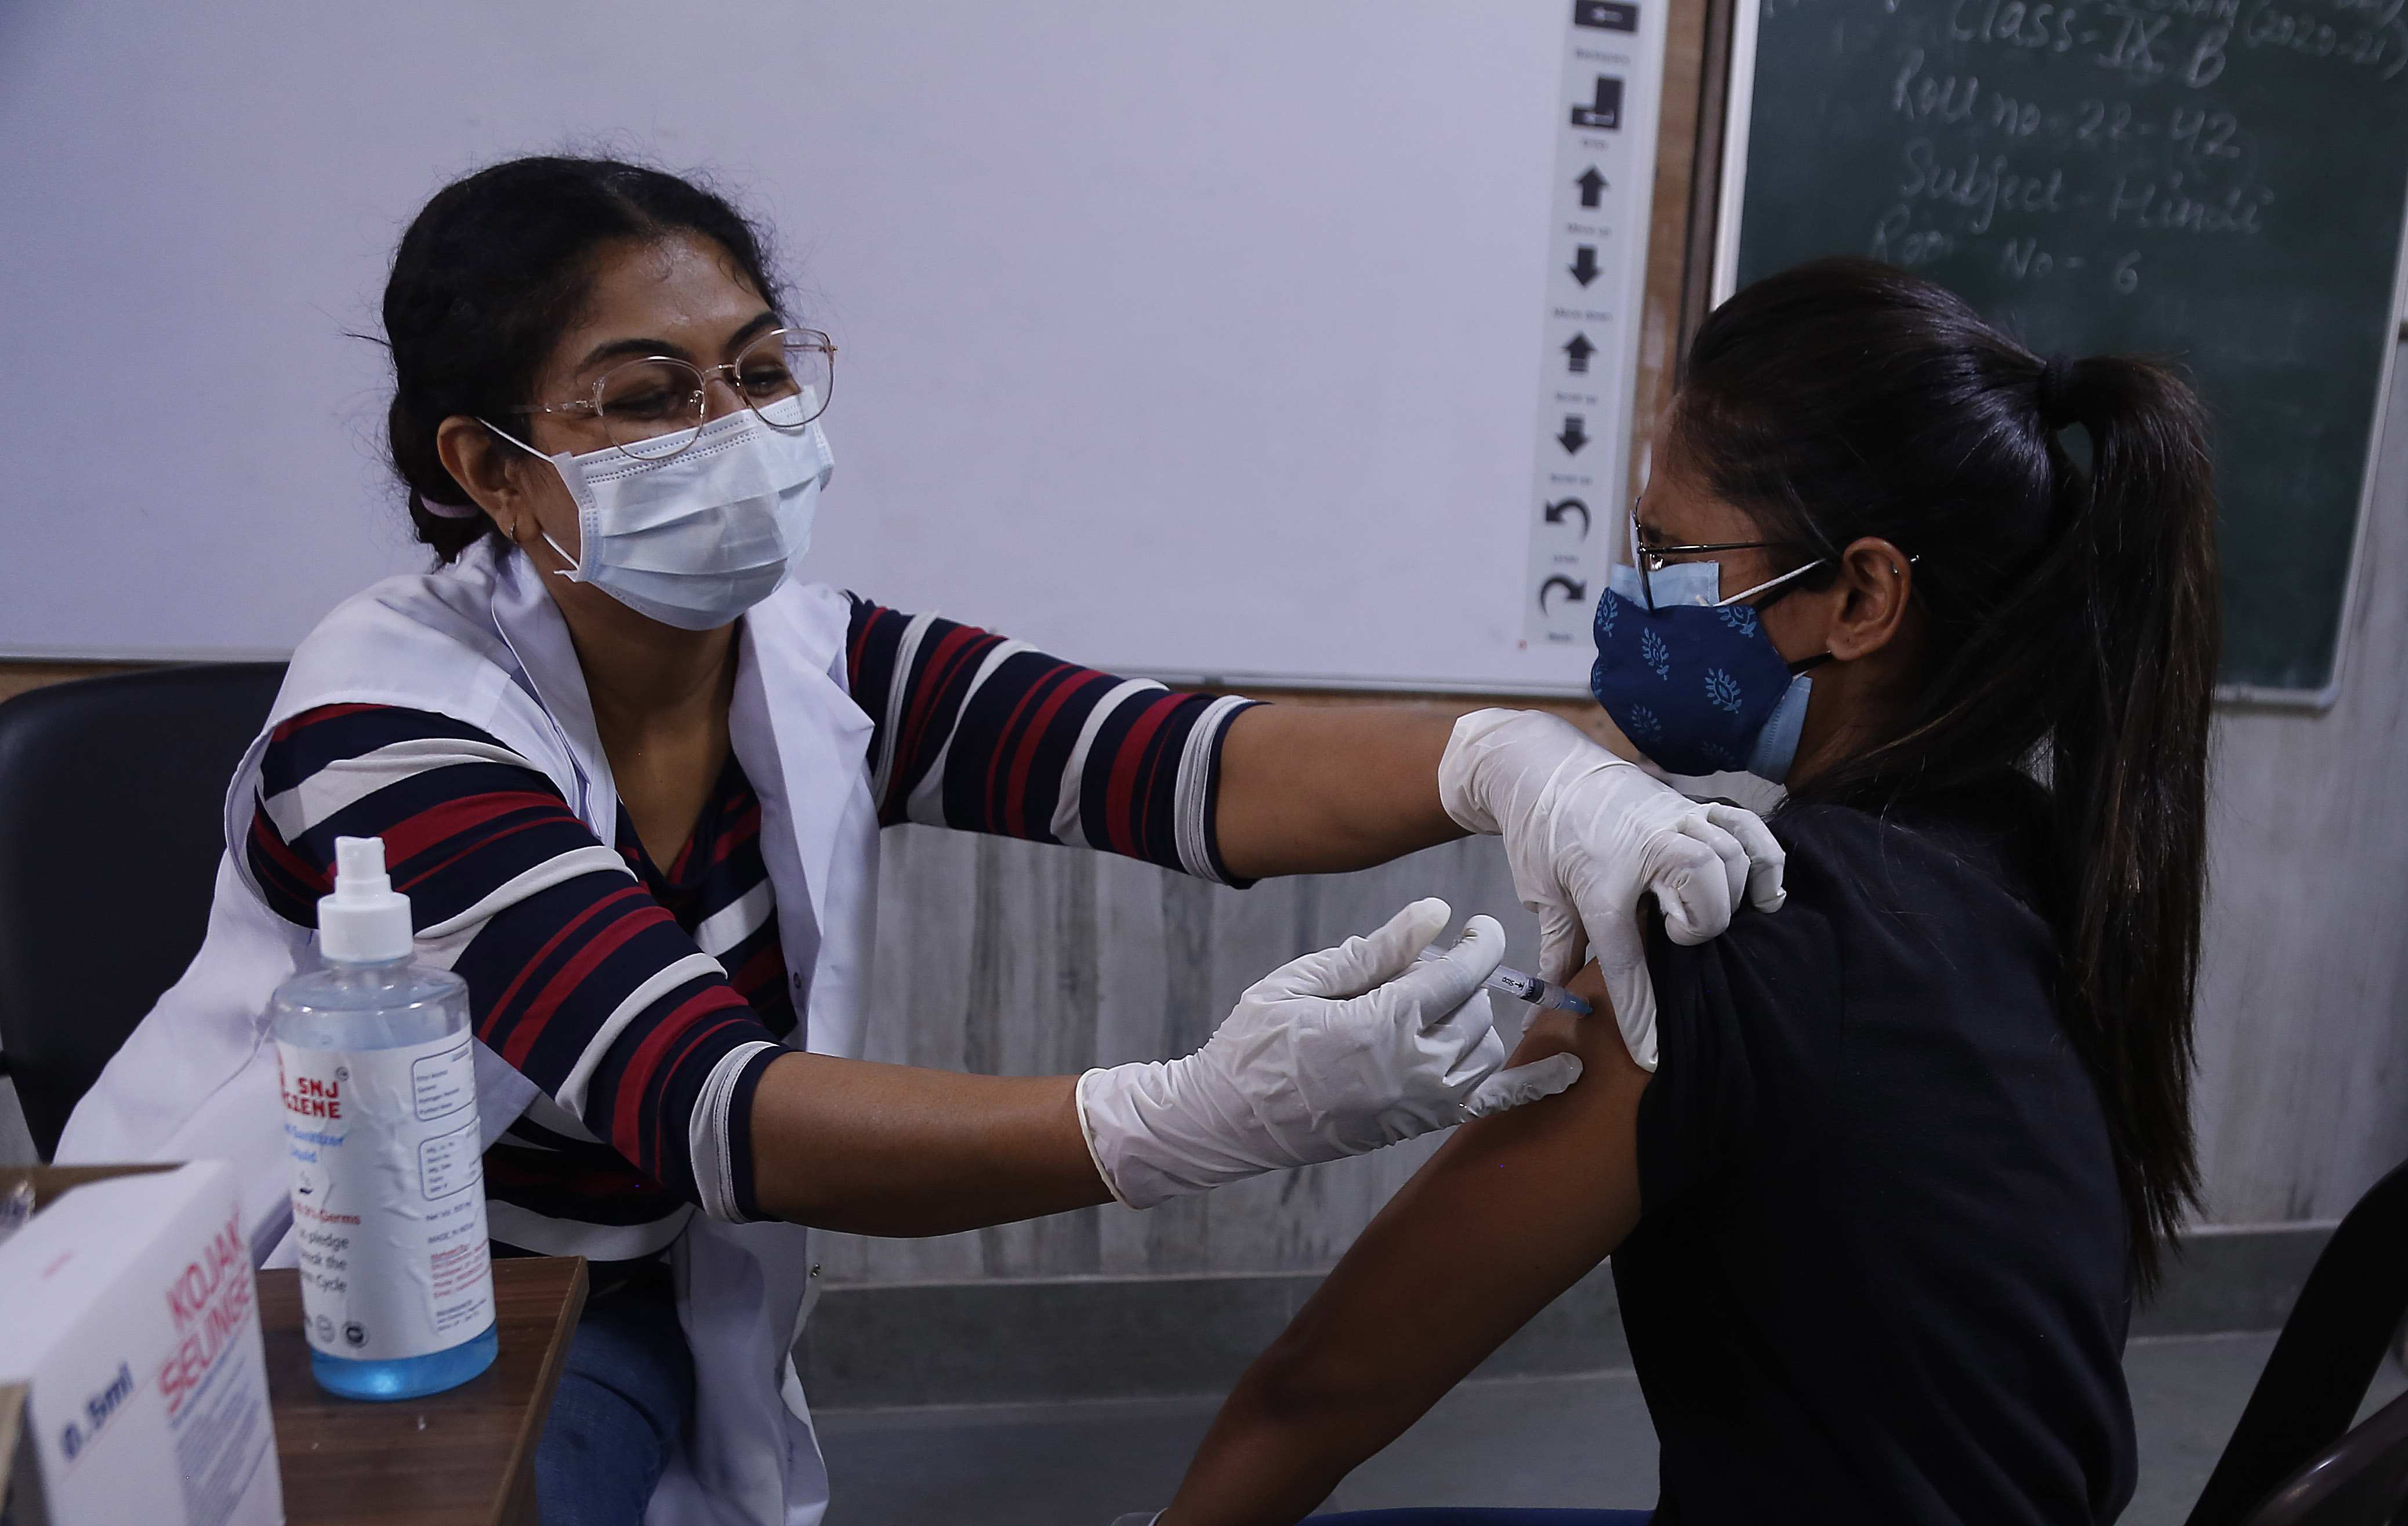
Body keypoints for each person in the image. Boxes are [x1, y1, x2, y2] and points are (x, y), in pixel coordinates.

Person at [55, 156, 1785, 1526]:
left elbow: (1179, 763)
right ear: (493, 472)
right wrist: (1196, 1116)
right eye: (645, 398)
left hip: (625, 1296)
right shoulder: (387, 727)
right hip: (323, 1314)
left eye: (753, 369)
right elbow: (704, 1103)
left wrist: (1519, 763)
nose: (730, 431)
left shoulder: (809, 661)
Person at [1140, 257, 2221, 1524]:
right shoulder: (2029, 856)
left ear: (1861, 597)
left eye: (1665, 548)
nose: (1633, 590)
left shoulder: (1736, 937)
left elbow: (1320, 1390)